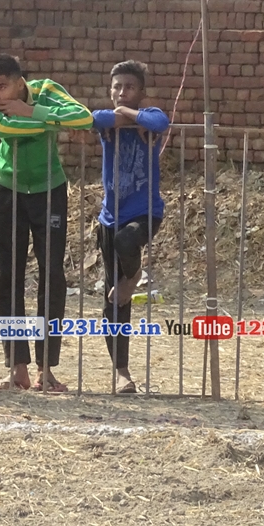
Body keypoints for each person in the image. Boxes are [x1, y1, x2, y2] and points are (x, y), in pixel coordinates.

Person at [0, 54, 92, 393]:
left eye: (2, 87)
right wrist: (53, 122)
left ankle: (47, 369)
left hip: (49, 188)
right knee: (7, 276)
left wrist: (32, 111)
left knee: (52, 275)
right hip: (7, 188)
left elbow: (84, 117)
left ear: (20, 83)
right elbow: (4, 128)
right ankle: (18, 368)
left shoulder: (46, 90)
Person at [91, 60, 169, 394]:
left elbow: (159, 122)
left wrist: (127, 114)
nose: (122, 92)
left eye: (130, 87)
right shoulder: (109, 122)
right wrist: (124, 117)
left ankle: (134, 276)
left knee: (127, 241)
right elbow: (93, 119)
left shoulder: (149, 116)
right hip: (111, 216)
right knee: (114, 302)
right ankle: (121, 372)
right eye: (117, 87)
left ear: (142, 92)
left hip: (145, 212)